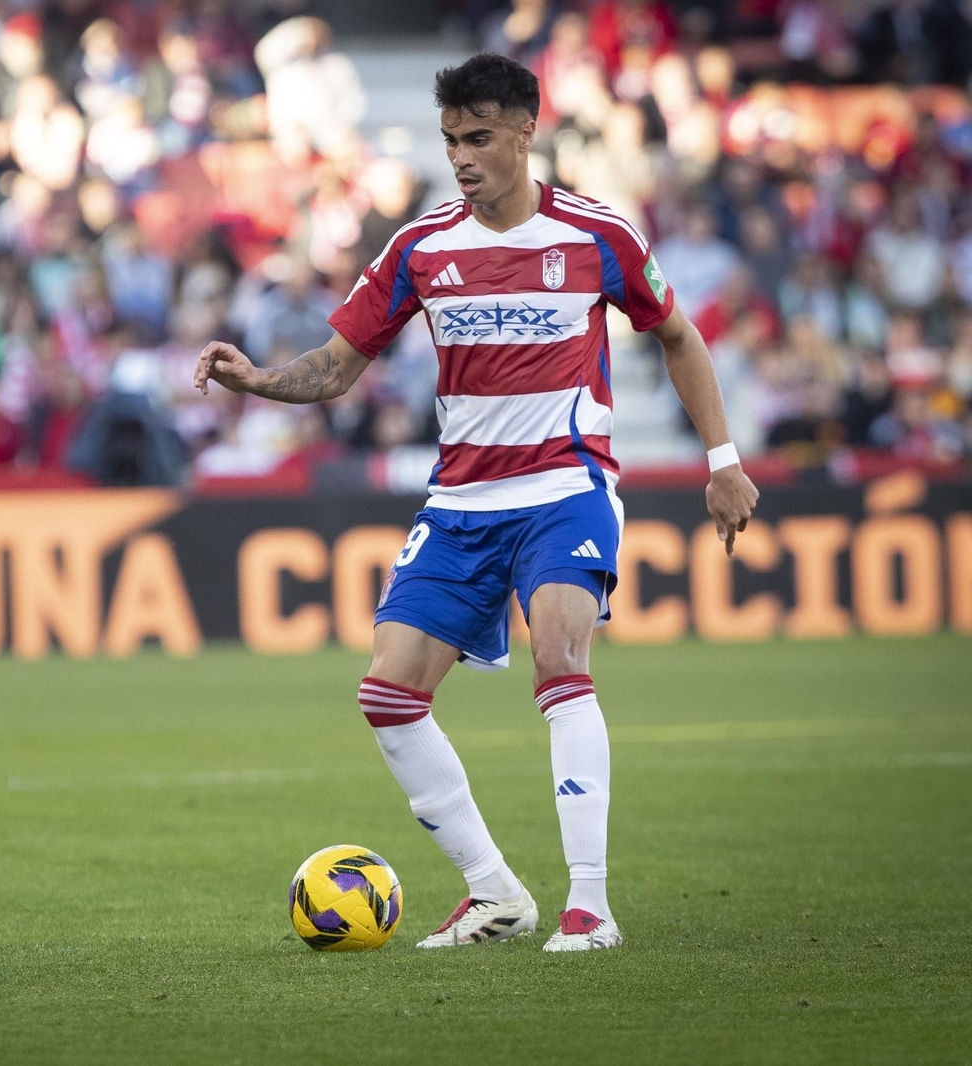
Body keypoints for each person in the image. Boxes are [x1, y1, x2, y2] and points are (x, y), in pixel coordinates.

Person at [194, 54, 757, 952]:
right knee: (387, 695)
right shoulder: (420, 248)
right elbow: (336, 368)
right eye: (451, 139)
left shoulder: (596, 234)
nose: (461, 156)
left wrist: (722, 461)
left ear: (526, 131)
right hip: (461, 501)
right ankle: (495, 892)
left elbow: (678, 337)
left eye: (479, 137)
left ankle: (590, 905)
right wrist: (257, 379)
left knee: (560, 660)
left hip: (565, 487)